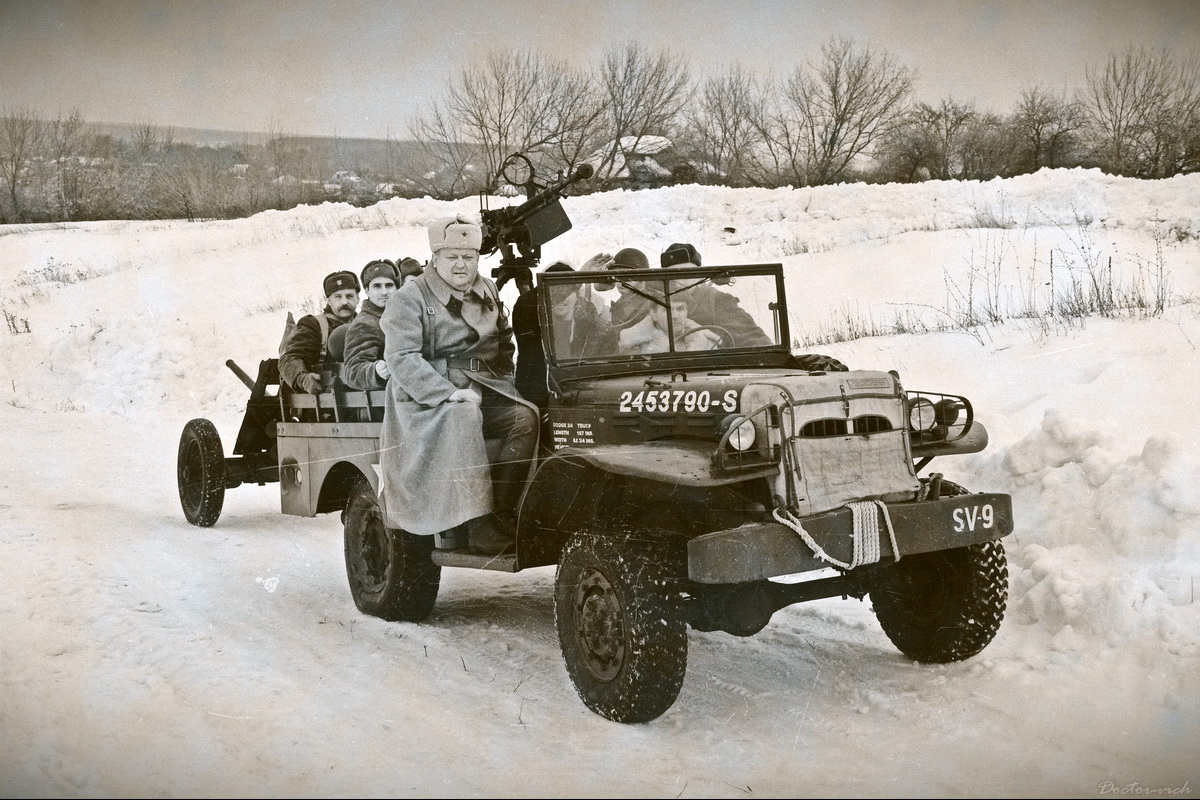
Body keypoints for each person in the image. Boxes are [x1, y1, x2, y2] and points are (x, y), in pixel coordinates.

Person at [377, 215, 538, 556]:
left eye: (468, 256)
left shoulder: (487, 288)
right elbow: (401, 358)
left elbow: (504, 342)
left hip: (485, 386)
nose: (461, 264)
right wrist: (448, 393)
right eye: (452, 257)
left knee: (525, 418)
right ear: (435, 259)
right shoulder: (410, 297)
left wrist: (504, 382)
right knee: (464, 415)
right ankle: (477, 526)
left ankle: (501, 513)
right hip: (425, 399)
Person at [513, 260, 616, 407]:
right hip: (541, 401)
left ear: (577, 294)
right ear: (542, 296)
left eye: (568, 292)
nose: (562, 299)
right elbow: (526, 302)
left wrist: (581, 280)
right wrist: (577, 278)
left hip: (582, 400)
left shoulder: (596, 327)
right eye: (554, 292)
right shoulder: (531, 320)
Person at [658, 242, 774, 347]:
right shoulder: (657, 302)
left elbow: (755, 340)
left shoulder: (717, 301)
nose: (680, 281)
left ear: (698, 276)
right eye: (673, 276)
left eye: (687, 274)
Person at [279, 270, 360, 393]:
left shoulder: (366, 323)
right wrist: (303, 379)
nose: (344, 302)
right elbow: (289, 358)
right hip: (326, 397)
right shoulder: (315, 325)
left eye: (349, 296)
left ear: (358, 298)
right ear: (329, 301)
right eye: (338, 297)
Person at [340, 259, 400, 392]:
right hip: (386, 397)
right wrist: (375, 370)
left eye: (389, 285)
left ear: (397, 289)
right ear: (367, 291)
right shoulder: (364, 324)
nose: (384, 292)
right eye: (377, 286)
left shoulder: (405, 316)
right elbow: (353, 372)